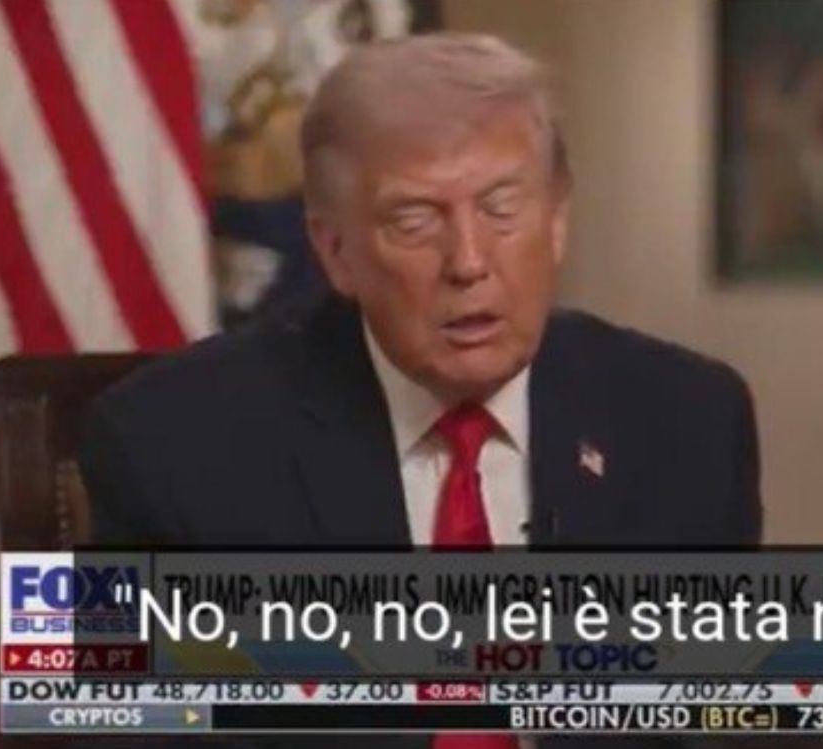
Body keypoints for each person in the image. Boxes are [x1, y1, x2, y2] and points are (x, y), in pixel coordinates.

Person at [81, 33, 760, 550]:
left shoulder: (689, 421)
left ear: (556, 221)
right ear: (335, 251)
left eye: (501, 209)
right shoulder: (168, 442)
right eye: (414, 221)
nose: (468, 262)